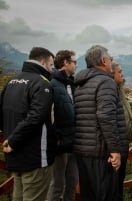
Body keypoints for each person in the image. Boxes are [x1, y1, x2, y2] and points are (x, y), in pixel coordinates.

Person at [0, 47, 57, 201]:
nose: (52, 70)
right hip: (36, 157)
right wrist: (14, 140)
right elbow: (36, 117)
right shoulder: (42, 83)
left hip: (15, 156)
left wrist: (10, 140)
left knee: (18, 197)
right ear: (43, 62)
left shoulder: (12, 82)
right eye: (51, 65)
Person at [73, 45, 123, 201]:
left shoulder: (81, 83)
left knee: (89, 194)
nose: (111, 61)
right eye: (110, 59)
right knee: (106, 195)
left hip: (82, 149)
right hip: (100, 151)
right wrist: (115, 149)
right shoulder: (105, 82)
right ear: (103, 61)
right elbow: (105, 116)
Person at [47, 50, 78, 201]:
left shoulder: (71, 83)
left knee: (72, 181)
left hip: (73, 141)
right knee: (57, 183)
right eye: (74, 62)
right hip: (60, 142)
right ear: (66, 63)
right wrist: (56, 138)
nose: (76, 65)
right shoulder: (52, 84)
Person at [111, 61, 132, 201]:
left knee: (119, 182)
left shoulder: (119, 88)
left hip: (123, 142)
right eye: (119, 72)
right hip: (116, 144)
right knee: (114, 184)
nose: (123, 74)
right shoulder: (110, 91)